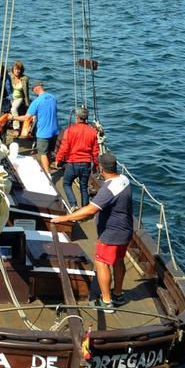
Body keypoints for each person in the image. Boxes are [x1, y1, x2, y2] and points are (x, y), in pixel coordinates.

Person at [49, 152, 132, 309]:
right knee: (119, 261)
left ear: (101, 168)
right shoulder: (124, 180)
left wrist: (65, 218)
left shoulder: (108, 189)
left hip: (111, 234)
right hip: (125, 230)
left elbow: (90, 210)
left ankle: (106, 302)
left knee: (102, 263)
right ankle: (118, 294)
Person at [54, 106, 101, 207]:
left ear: (77, 117)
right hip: (86, 164)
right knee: (84, 187)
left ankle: (73, 204)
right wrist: (96, 164)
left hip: (72, 163)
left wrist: (58, 159)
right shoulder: (92, 132)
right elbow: (95, 150)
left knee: (66, 184)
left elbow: (64, 147)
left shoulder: (70, 130)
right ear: (86, 118)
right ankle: (85, 208)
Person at [20, 80, 59, 172]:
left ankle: (47, 174)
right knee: (49, 151)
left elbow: (26, 117)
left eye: (34, 90)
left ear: (36, 89)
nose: (34, 93)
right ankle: (48, 166)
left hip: (43, 133)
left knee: (43, 153)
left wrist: (12, 117)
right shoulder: (53, 97)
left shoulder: (36, 101)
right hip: (54, 130)